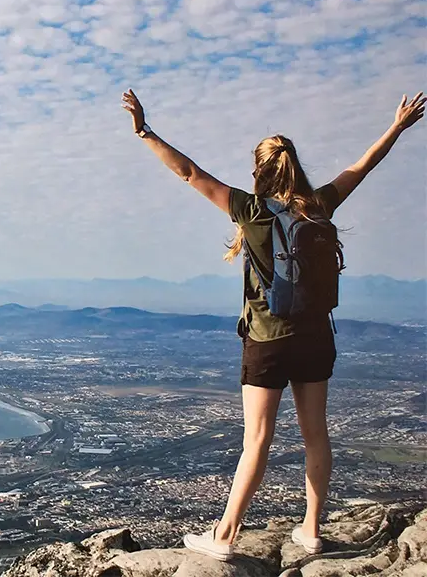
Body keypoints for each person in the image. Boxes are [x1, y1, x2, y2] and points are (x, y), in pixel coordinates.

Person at [121, 89, 424, 561]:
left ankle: (224, 536)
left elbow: (189, 172)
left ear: (259, 170)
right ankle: (312, 529)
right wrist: (398, 126)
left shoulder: (251, 210)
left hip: (266, 339)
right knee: (315, 434)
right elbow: (364, 166)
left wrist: (144, 130)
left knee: (256, 441)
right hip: (316, 337)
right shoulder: (319, 206)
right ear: (295, 166)